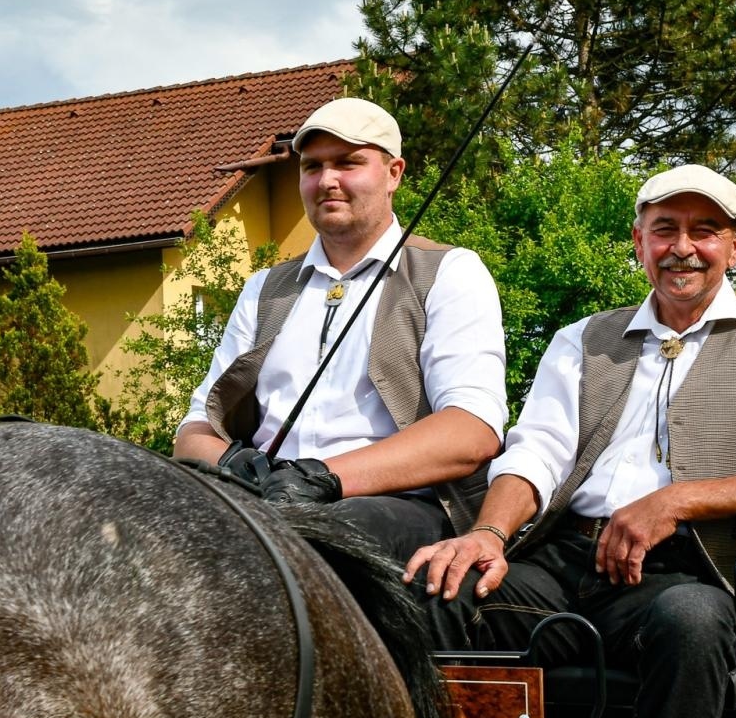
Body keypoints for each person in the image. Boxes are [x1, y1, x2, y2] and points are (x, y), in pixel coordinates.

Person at [404, 163, 736, 718]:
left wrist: (676, 502)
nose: (683, 248)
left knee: (691, 623)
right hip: (563, 566)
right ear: (639, 242)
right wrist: (488, 535)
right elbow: (536, 453)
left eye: (706, 230)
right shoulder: (582, 338)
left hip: (694, 572)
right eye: (665, 229)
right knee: (428, 595)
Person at [174, 97, 508, 561]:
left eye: (348, 163)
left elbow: (472, 431)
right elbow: (194, 430)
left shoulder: (449, 272)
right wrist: (233, 464)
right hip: (266, 504)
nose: (327, 180)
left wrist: (323, 477)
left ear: (394, 173)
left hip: (402, 510)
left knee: (311, 541)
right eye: (312, 166)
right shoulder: (264, 289)